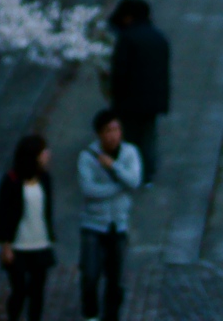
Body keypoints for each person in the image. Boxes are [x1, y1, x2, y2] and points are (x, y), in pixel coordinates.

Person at [78, 109, 142, 321]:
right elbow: (89, 190)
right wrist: (118, 188)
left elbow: (134, 180)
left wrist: (114, 167)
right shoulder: (87, 157)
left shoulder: (129, 153)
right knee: (90, 274)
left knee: (115, 278)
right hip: (93, 225)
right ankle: (91, 314)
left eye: (116, 129)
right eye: (108, 130)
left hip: (118, 225)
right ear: (99, 134)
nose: (113, 135)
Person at [0, 134, 56, 321]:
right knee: (19, 291)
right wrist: (5, 244)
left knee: (37, 293)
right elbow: (3, 213)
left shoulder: (45, 179)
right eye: (43, 151)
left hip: (40, 244)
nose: (48, 155)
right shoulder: (11, 181)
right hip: (18, 246)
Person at [108, 0, 170, 184]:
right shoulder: (158, 37)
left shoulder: (127, 39)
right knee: (148, 137)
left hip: (130, 99)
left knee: (129, 138)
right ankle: (147, 174)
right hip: (154, 99)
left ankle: (130, 173)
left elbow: (120, 72)